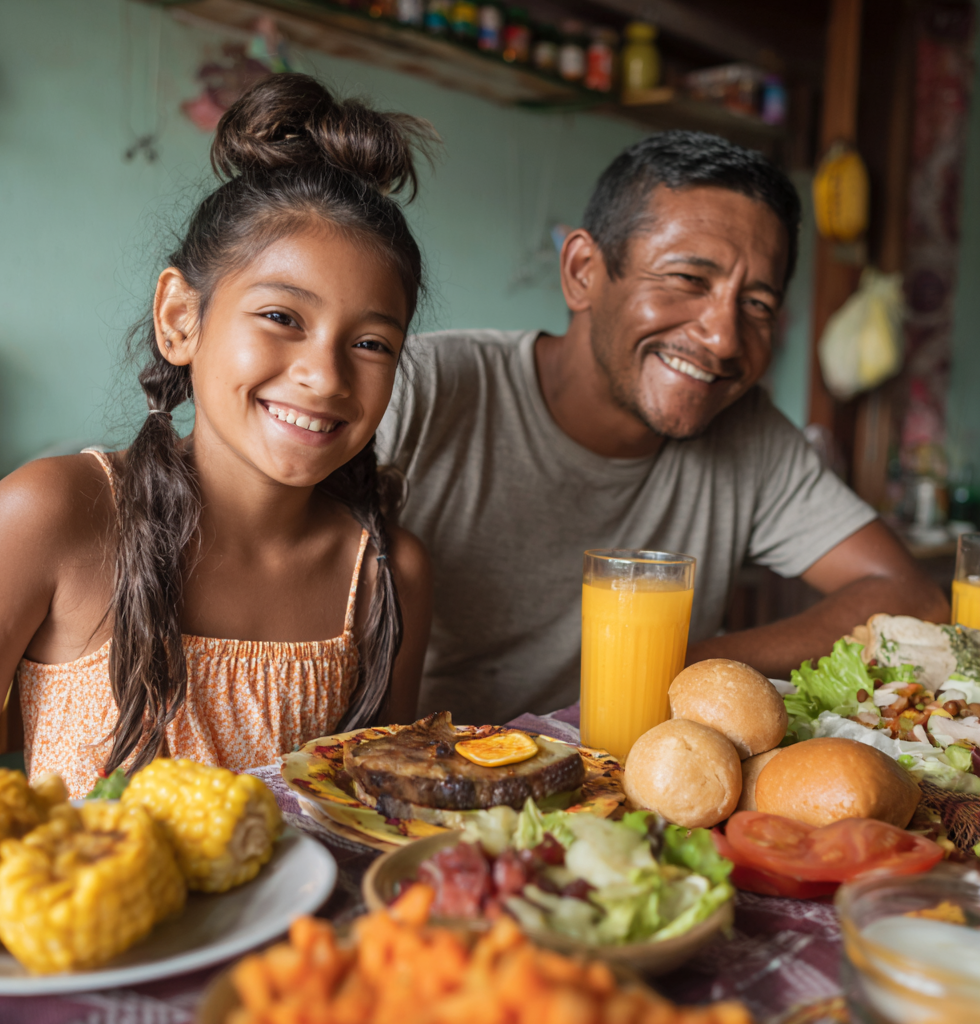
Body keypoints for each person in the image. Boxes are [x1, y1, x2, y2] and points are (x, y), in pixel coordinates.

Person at [0, 75, 434, 794]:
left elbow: (379, 826)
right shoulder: (53, 515)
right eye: (282, 317)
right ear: (181, 318)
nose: (325, 376)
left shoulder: (386, 576)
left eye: (371, 344)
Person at [378, 130, 948, 726]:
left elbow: (911, 596)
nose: (724, 339)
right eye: (688, 280)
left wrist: (683, 669)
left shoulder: (747, 432)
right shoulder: (423, 384)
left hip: (633, 795)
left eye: (756, 304)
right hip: (427, 788)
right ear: (582, 272)